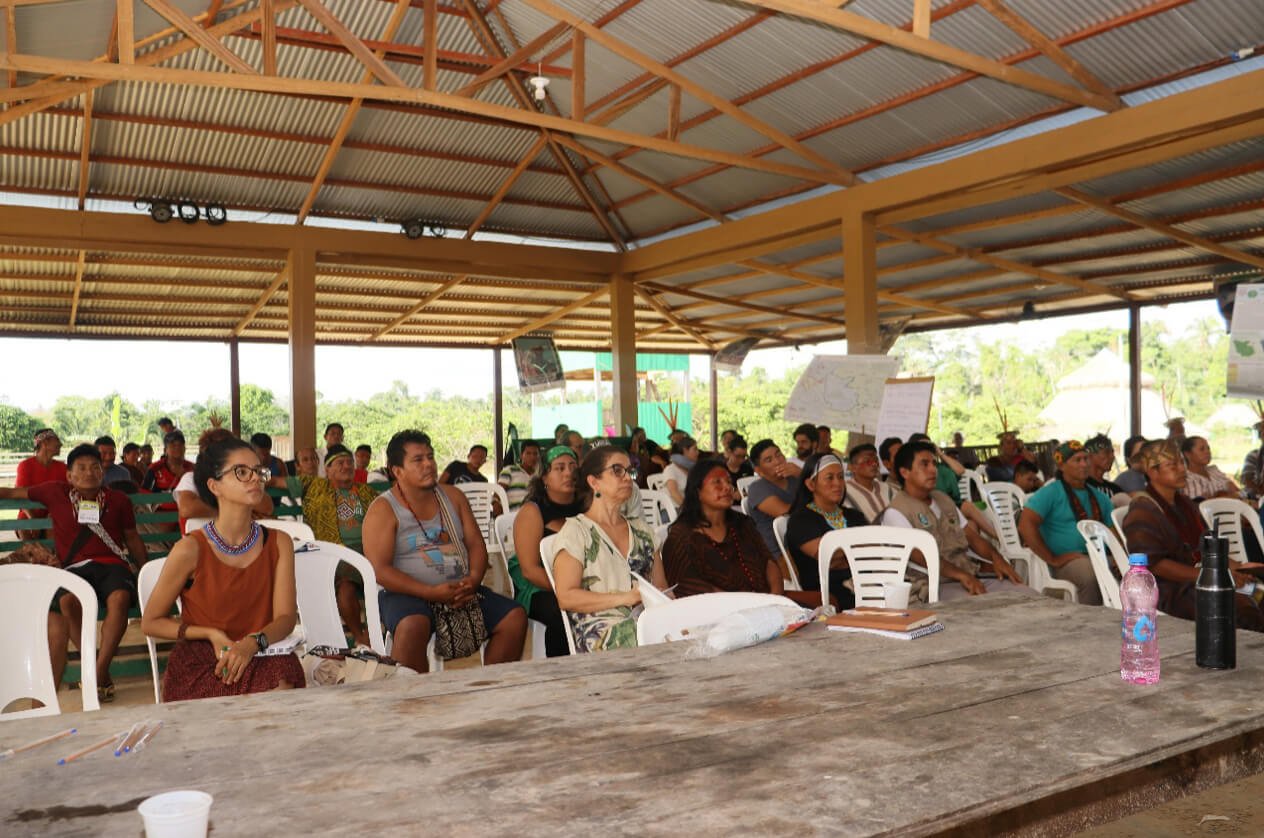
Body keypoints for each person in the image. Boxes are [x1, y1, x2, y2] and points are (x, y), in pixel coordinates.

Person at [141, 438, 304, 701]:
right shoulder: (190, 549)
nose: (255, 479)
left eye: (259, 471)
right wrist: (209, 633)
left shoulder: (278, 542)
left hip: (258, 651)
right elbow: (150, 623)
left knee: (285, 675)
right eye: (241, 472)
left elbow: (285, 618)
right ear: (214, 485)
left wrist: (253, 643)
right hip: (204, 660)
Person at [362, 431, 525, 672]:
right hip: (405, 594)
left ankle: (492, 689)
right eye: (418, 460)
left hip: (460, 589)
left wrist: (473, 580)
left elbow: (476, 545)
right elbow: (380, 570)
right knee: (412, 625)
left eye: (430, 456)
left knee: (514, 617)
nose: (428, 464)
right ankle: (412, 701)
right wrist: (429, 592)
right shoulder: (383, 509)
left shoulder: (453, 496)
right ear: (397, 471)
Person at [0, 444, 149, 703]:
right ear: (69, 475)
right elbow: (14, 492)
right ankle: (94, 668)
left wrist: (145, 571)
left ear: (103, 472)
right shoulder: (55, 492)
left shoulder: (118, 500)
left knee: (120, 599)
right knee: (68, 601)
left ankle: (98, 672)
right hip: (72, 568)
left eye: (95, 467)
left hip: (112, 563)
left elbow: (132, 538)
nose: (89, 473)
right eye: (81, 468)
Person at [1123, 440, 1264, 631]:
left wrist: (1239, 567)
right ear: (1153, 472)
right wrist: (1210, 576)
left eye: (1182, 463)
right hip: (1168, 589)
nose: (1182, 470)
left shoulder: (1184, 504)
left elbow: (1206, 547)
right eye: (1173, 465)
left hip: (1197, 578)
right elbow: (1154, 564)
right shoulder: (1142, 509)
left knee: (1258, 586)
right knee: (1239, 605)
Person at [552, 446, 667, 652]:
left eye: (630, 471)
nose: (627, 478)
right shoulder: (577, 531)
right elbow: (566, 597)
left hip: (645, 623)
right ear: (593, 481)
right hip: (600, 633)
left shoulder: (643, 531)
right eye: (617, 470)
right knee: (651, 639)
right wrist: (626, 598)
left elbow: (661, 589)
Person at [881, 441, 1026, 601]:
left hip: (967, 574)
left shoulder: (943, 499)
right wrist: (962, 576)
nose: (933, 470)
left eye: (933, 464)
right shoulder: (896, 512)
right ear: (905, 472)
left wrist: (996, 557)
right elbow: (923, 557)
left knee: (1024, 593)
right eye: (924, 464)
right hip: (932, 585)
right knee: (986, 606)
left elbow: (973, 538)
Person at [279, 444, 378, 646]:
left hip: (369, 551)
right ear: (328, 469)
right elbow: (273, 481)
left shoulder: (367, 492)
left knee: (382, 574)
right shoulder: (314, 485)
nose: (346, 466)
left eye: (350, 462)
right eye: (340, 463)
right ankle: (360, 637)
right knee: (346, 585)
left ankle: (376, 633)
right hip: (333, 553)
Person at [661, 458, 797, 600]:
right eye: (717, 482)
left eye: (729, 482)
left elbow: (768, 562)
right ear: (698, 491)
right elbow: (688, 587)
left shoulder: (742, 523)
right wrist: (744, 605)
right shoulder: (682, 536)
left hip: (767, 603)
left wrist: (775, 598)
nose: (727, 487)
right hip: (719, 614)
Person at [510, 445, 582, 658]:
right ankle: (560, 672)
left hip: (580, 579)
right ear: (544, 477)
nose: (568, 473)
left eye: (572, 467)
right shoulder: (532, 512)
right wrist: (569, 588)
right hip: (538, 586)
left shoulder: (586, 505)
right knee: (563, 612)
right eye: (560, 468)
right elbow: (529, 570)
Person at [1017, 441, 1108, 605]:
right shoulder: (1051, 492)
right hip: (1066, 562)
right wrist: (1052, 558)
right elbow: (1025, 524)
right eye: (1077, 460)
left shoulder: (1098, 496)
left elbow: (1112, 531)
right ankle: (1087, 625)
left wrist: (1118, 556)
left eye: (1086, 459)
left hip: (1097, 555)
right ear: (1062, 465)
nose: (1084, 464)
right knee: (1090, 575)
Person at [784, 452, 867, 610]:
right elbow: (828, 558)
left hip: (865, 585)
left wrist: (845, 554)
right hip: (828, 594)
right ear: (811, 485)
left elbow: (873, 550)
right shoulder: (801, 520)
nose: (838, 483)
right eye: (829, 478)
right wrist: (859, 548)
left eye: (841, 477)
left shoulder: (854, 516)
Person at [176, 429, 274, 532]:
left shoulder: (243, 475)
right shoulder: (190, 478)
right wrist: (235, 510)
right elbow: (187, 508)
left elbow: (266, 506)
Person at [746, 439, 800, 556]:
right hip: (778, 552)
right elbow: (786, 513)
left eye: (779, 454)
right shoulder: (757, 488)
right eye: (769, 460)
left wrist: (802, 475)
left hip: (803, 541)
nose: (777, 461)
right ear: (759, 471)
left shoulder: (795, 479)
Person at [143, 430, 193, 532]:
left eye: (180, 445)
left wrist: (185, 476)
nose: (177, 448)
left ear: (185, 448)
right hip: (162, 514)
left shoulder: (193, 468)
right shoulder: (155, 469)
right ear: (165, 450)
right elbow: (143, 492)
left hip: (189, 512)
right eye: (173, 445)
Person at [843, 443, 894, 524]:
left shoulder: (888, 489)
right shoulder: (844, 491)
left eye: (876, 460)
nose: (874, 464)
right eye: (868, 461)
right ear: (853, 467)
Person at [1181, 436, 1240, 501]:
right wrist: (1229, 495)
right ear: (1187, 454)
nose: (1207, 452)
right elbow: (1199, 505)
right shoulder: (1187, 479)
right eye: (1202, 449)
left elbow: (1239, 492)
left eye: (1208, 448)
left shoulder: (1214, 470)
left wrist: (1215, 498)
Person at [498, 440, 540, 511]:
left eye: (535, 454)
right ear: (521, 455)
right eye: (528, 453)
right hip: (513, 516)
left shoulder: (540, 476)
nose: (532, 457)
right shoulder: (509, 470)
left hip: (534, 515)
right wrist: (496, 503)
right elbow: (498, 493)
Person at [662, 436, 698, 507]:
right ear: (685, 451)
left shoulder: (691, 470)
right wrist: (689, 510)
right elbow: (674, 493)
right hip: (672, 511)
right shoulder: (670, 469)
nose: (698, 452)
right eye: (695, 449)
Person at [1241, 420, 1264, 499]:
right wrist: (1259, 492)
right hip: (1256, 498)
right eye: (1261, 431)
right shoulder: (1254, 455)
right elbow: (1247, 479)